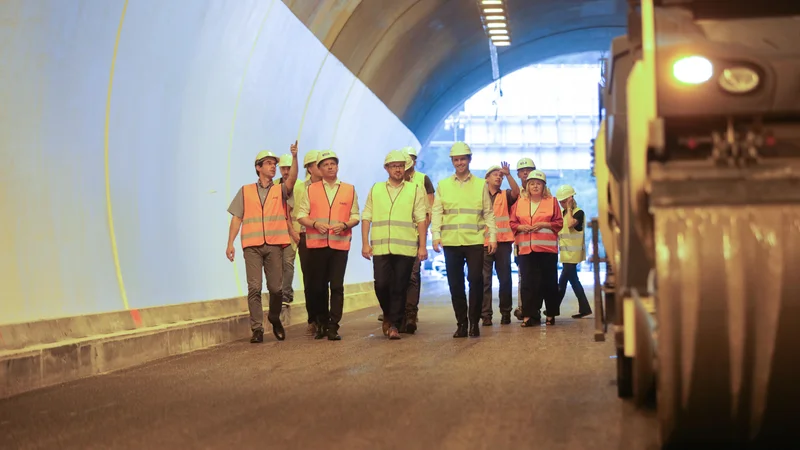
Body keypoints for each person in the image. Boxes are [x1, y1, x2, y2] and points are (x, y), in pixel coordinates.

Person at [226, 142, 298, 343]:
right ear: (258, 167)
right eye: (268, 163)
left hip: (274, 245)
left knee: (276, 289)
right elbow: (236, 218)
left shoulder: (280, 190)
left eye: (274, 164)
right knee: (254, 288)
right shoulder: (245, 191)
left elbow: (292, 179)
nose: (273, 167)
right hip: (252, 247)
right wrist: (230, 243)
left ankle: (274, 317)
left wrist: (294, 158)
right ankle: (257, 329)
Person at [431, 141, 497, 338]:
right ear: (452, 161)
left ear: (469, 160)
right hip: (451, 242)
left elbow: (489, 213)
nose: (460, 163)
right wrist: (435, 235)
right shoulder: (443, 185)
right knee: (455, 284)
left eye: (463, 159)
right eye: (456, 159)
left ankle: (474, 322)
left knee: (476, 280)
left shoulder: (480, 185)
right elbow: (437, 212)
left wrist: (492, 237)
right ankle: (461, 322)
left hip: (475, 241)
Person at [361, 150, 428, 340]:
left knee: (400, 286)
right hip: (381, 247)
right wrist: (365, 243)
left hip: (405, 248)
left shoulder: (414, 189)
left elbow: (421, 219)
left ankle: (394, 326)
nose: (398, 169)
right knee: (381, 285)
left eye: (401, 165)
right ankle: (389, 315)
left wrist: (422, 246)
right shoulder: (376, 189)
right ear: (387, 168)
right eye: (394, 166)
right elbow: (367, 216)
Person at [297, 150, 360, 341]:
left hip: (340, 245)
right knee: (318, 287)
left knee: (337, 286)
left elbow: (356, 216)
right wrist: (315, 224)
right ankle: (321, 323)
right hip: (316, 244)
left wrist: (346, 225)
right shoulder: (311, 190)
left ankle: (334, 326)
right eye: (325, 164)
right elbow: (301, 215)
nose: (330, 167)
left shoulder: (349, 189)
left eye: (333, 163)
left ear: (337, 166)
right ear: (319, 169)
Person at [510, 170, 563, 327]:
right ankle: (529, 316)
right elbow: (512, 223)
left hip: (547, 251)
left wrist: (545, 224)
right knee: (528, 284)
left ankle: (551, 314)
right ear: (527, 186)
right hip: (526, 251)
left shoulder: (552, 201)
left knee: (549, 283)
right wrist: (521, 227)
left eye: (538, 184)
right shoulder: (520, 203)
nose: (534, 186)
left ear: (544, 186)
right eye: (531, 183)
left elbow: (559, 223)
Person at [398, 146, 435, 333]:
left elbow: (430, 207)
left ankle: (411, 314)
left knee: (412, 274)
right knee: (398, 276)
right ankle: (398, 313)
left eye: (410, 159)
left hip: (415, 233)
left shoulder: (423, 179)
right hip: (397, 235)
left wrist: (424, 232)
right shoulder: (392, 183)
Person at [481, 162, 520, 326]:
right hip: (483, 242)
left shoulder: (505, 195)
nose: (499, 177)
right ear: (487, 178)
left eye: (501, 175)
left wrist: (509, 175)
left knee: (505, 279)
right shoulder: (479, 195)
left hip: (503, 242)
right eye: (495, 174)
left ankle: (505, 313)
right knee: (484, 280)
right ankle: (486, 315)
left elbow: (517, 193)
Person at [292, 150, 325, 336]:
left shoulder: (330, 187)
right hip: (305, 237)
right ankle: (313, 318)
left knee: (324, 280)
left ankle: (324, 317)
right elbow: (291, 211)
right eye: (318, 164)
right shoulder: (299, 188)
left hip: (325, 237)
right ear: (310, 168)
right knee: (310, 280)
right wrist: (294, 232)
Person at [555, 185, 593, 318]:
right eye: (561, 202)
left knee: (562, 282)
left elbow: (571, 224)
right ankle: (585, 308)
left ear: (571, 199)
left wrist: (570, 207)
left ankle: (553, 309)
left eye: (565, 201)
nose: (562, 204)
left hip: (573, 255)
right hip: (566, 254)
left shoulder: (578, 212)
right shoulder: (563, 213)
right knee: (574, 281)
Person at [513, 157, 536, 321]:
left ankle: (535, 309)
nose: (525, 173)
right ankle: (524, 308)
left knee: (538, 278)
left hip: (539, 244)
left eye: (528, 170)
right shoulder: (515, 195)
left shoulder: (542, 193)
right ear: (518, 174)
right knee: (523, 277)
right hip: (520, 243)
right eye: (522, 171)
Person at [277, 154, 301, 305]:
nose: (286, 171)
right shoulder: (273, 186)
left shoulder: (300, 186)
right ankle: (282, 292)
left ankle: (285, 294)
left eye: (288, 168)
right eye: (283, 168)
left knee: (288, 262)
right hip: (277, 231)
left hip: (295, 231)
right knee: (277, 264)